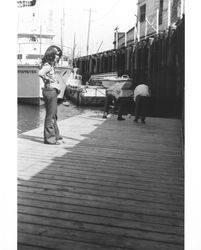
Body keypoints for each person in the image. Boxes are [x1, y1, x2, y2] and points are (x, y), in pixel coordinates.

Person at [38, 45, 63, 145]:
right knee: (50, 116)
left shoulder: (50, 65)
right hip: (50, 91)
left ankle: (56, 136)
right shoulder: (48, 66)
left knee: (53, 115)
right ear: (51, 54)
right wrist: (47, 79)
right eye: (57, 55)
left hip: (51, 91)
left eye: (59, 55)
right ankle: (50, 139)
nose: (58, 57)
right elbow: (40, 73)